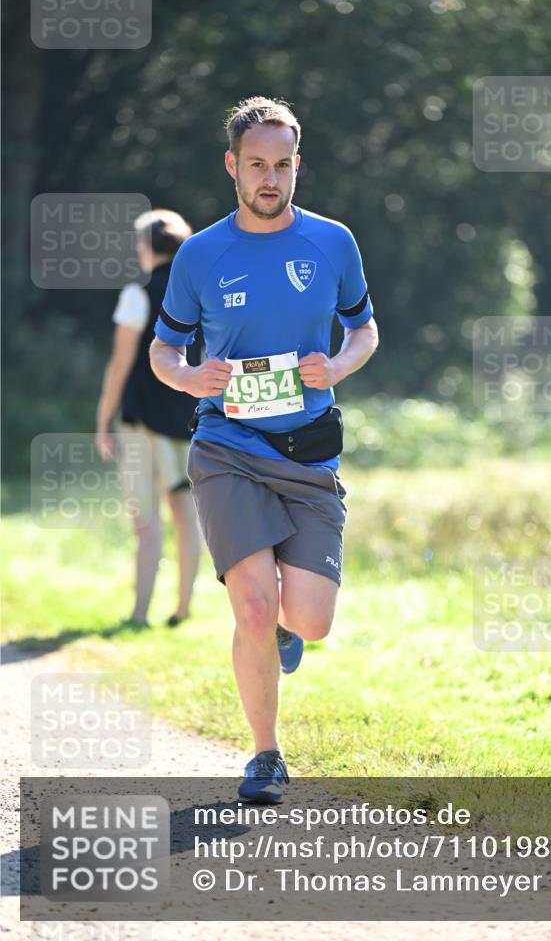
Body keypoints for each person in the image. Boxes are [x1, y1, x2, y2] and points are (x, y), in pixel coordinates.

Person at [150, 96, 378, 801]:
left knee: (306, 618)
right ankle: (265, 756)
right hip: (226, 446)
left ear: (296, 165)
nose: (269, 177)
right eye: (256, 165)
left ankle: (284, 635)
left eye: (281, 165)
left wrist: (336, 366)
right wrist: (189, 377)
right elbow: (164, 348)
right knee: (251, 606)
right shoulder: (201, 253)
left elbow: (364, 329)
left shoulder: (333, 242)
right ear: (233, 166)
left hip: (309, 453)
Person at [95, 209, 201, 628]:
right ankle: (184, 607)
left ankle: (140, 613)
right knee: (186, 512)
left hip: (141, 421)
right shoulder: (197, 292)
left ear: (146, 247)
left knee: (146, 518)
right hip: (187, 420)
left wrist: (104, 418)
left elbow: (120, 364)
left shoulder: (137, 294)